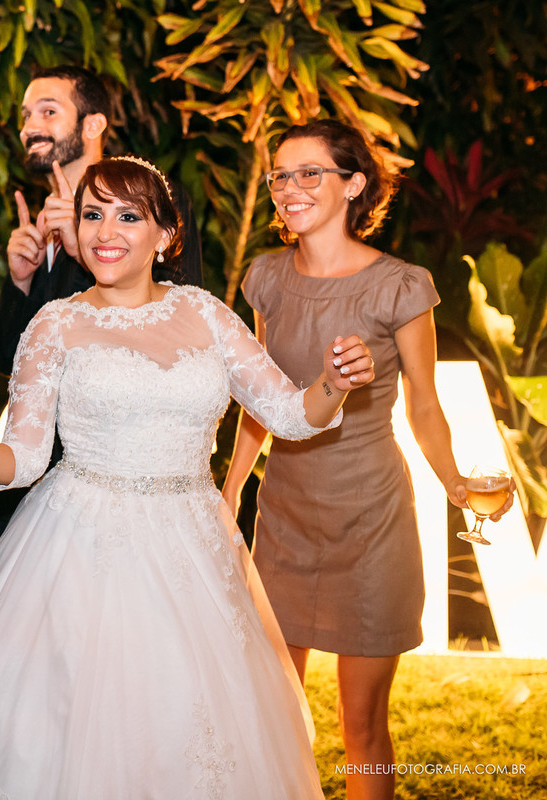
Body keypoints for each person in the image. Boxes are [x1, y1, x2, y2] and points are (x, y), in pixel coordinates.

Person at [0, 156, 377, 798]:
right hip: (79, 546)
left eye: (127, 215)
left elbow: (289, 414)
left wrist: (334, 386)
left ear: (165, 236)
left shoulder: (206, 313)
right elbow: (25, 460)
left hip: (192, 545)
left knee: (192, 724)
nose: (104, 231)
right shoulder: (54, 325)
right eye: (92, 214)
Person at [219, 119, 505, 800]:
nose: (290, 188)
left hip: (373, 524)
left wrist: (456, 482)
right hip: (286, 523)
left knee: (363, 727)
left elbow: (425, 407)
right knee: (273, 716)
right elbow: (260, 401)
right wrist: (228, 492)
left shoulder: (401, 285)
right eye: (280, 175)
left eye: (309, 173)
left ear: (353, 185)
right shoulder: (265, 279)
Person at [0, 65, 204, 375]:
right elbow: (6, 359)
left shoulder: (154, 200)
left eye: (48, 112)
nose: (29, 128)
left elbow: (182, 322)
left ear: (93, 125)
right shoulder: (40, 223)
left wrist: (84, 253)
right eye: (26, 116)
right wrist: (20, 282)